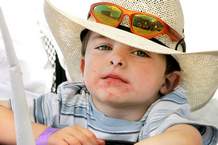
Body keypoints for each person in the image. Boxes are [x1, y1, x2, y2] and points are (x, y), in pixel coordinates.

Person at [0, 0, 218, 145]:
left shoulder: (163, 110)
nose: (116, 59)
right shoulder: (67, 104)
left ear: (168, 82)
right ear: (83, 67)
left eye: (140, 52)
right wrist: (45, 135)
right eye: (104, 47)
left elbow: (184, 138)